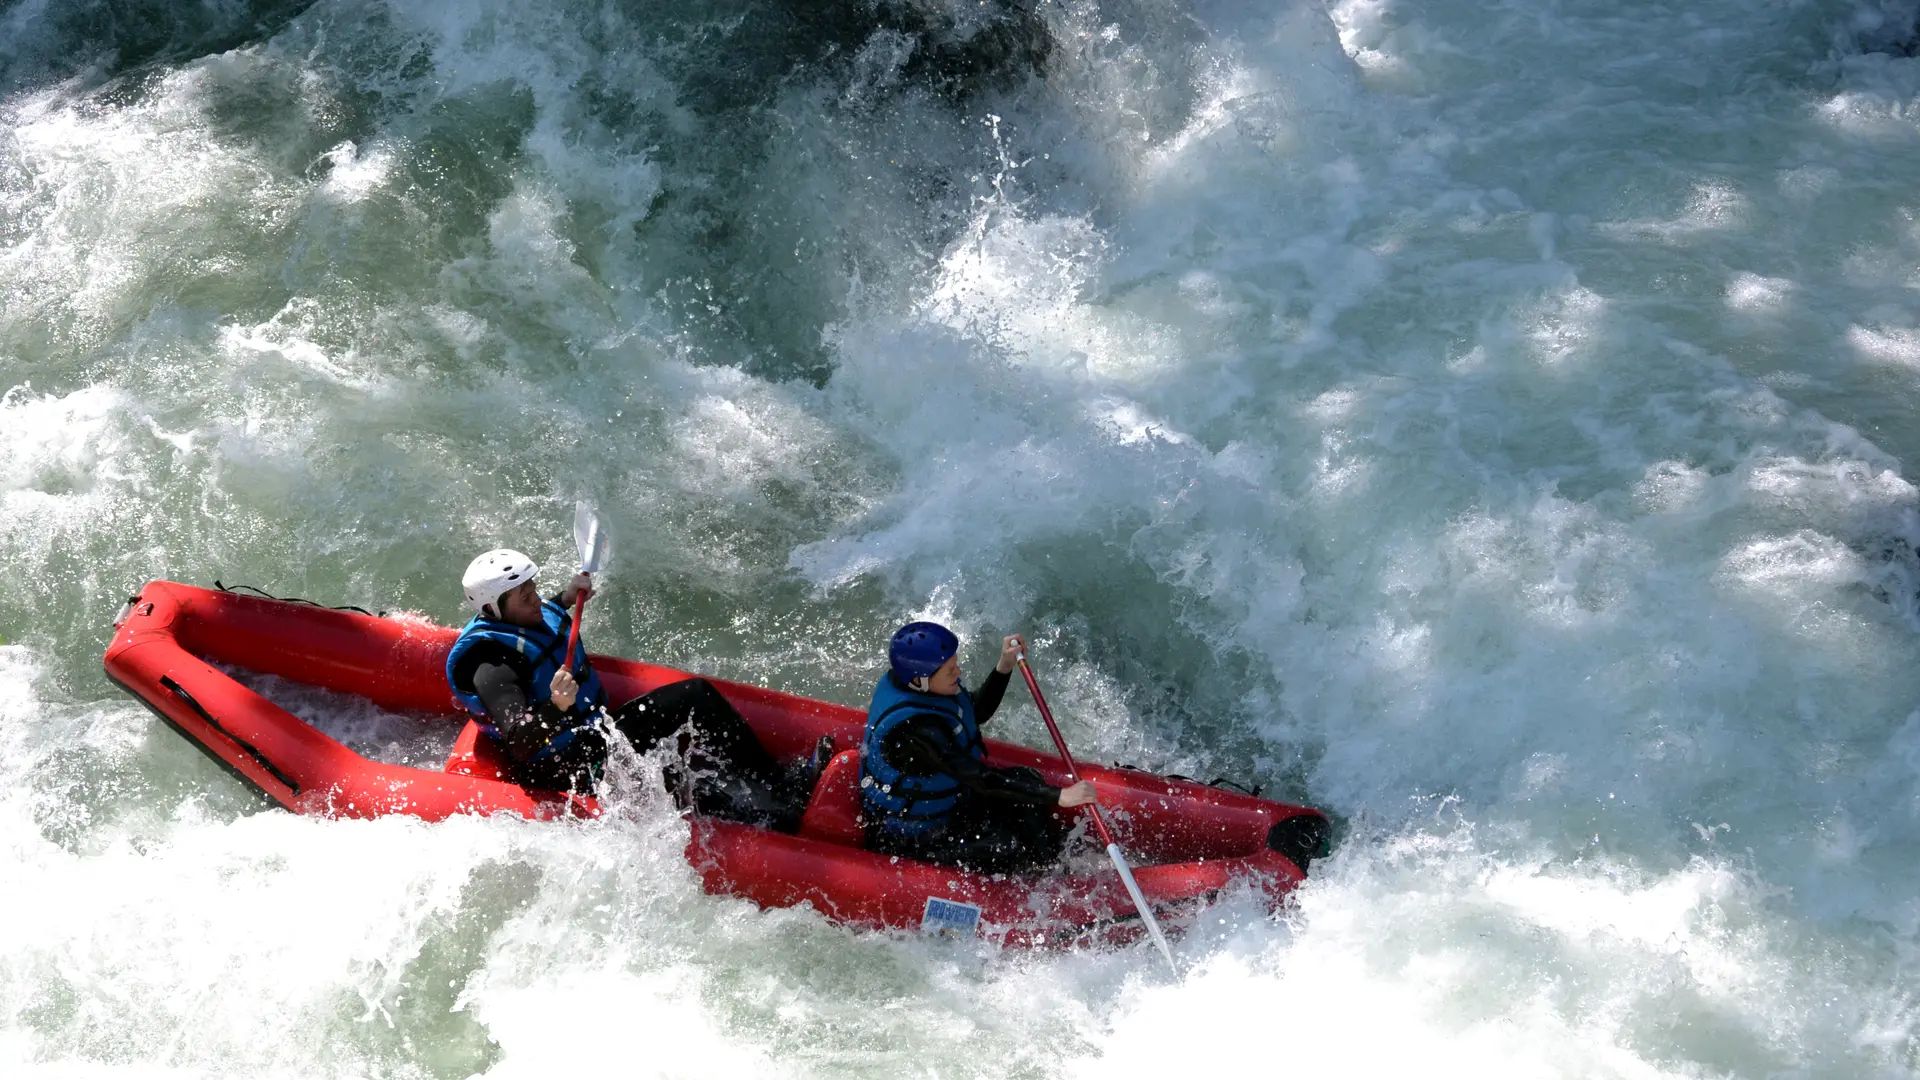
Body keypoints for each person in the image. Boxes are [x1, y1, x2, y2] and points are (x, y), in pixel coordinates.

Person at [444, 548, 804, 828]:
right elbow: (521, 742)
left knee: (679, 767)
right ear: (494, 609)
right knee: (694, 698)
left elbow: (533, 623)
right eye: (525, 597)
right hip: (570, 765)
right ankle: (777, 793)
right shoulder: (490, 667)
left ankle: (760, 792)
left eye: (533, 589)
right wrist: (557, 704)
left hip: (592, 733)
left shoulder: (517, 617)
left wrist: (565, 598)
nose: (536, 599)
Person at [860, 621, 1097, 874]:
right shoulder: (918, 732)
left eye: (955, 664)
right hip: (915, 835)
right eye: (950, 670)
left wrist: (1004, 667)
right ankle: (1038, 885)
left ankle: (1050, 866)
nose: (958, 672)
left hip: (953, 802)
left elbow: (977, 712)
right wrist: (1060, 796)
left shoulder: (926, 687)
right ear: (919, 681)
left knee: (1025, 779)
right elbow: (980, 778)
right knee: (1005, 847)